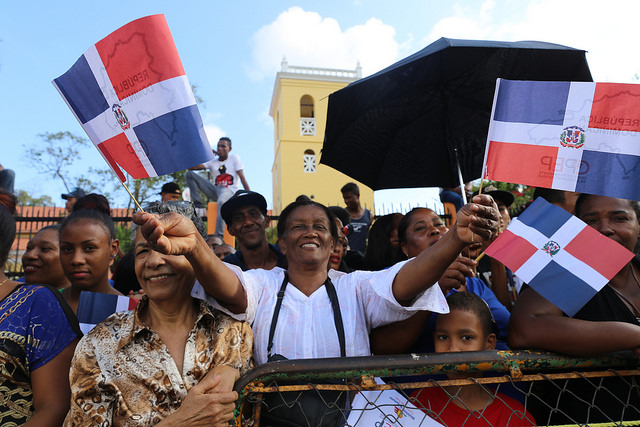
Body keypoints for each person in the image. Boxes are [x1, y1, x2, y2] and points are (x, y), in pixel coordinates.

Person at [133, 196, 499, 366]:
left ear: (334, 240)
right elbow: (231, 289)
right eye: (298, 226)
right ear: (283, 240)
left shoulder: (355, 286)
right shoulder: (262, 283)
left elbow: (403, 282)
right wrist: (196, 246)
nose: (309, 232)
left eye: (319, 226)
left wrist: (454, 239)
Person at [65, 201, 253, 425]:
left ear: (198, 254)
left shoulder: (234, 332)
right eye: (143, 251)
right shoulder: (99, 344)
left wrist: (233, 373)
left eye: (168, 247)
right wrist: (182, 422)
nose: (153, 261)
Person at [508, 194, 640, 423]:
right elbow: (525, 328)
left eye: (620, 218)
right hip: (586, 415)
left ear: (638, 224)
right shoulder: (567, 270)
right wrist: (633, 336)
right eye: (590, 221)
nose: (604, 229)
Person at [370, 207, 510, 354]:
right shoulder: (390, 281)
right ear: (405, 248)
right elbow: (382, 345)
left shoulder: (473, 283)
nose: (434, 230)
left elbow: (507, 327)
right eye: (420, 228)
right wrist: (435, 289)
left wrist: (497, 248)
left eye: (439, 224)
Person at [0, 198, 82, 425]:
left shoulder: (38, 302)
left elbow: (55, 406)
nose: (31, 256)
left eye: (45, 249)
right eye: (29, 248)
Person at [411, 292, 536, 426]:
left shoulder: (515, 417)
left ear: (489, 343)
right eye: (443, 337)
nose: (453, 349)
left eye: (466, 338)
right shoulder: (420, 403)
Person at [59, 209, 123, 313]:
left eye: (89, 248)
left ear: (113, 249)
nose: (76, 260)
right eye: (67, 249)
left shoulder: (129, 312)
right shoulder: (45, 304)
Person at [186, 137, 250, 238]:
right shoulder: (212, 162)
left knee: (221, 201)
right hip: (215, 190)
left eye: (223, 146)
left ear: (229, 149)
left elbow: (242, 177)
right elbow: (191, 167)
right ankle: (198, 205)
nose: (220, 148)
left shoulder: (234, 158)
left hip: (229, 191)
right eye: (218, 146)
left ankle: (218, 235)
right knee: (189, 174)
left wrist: (249, 196)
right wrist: (205, 155)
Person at [472, 185, 517, 308]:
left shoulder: (525, 251)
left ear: (509, 215)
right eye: (487, 210)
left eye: (501, 209)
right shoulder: (471, 258)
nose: (496, 215)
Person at [220, 190, 285, 271]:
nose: (248, 222)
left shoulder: (290, 257)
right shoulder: (228, 268)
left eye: (253, 214)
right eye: (239, 218)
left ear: (266, 221)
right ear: (231, 230)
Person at [22, 225, 71, 290]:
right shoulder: (13, 295)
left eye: (44, 248)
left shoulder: (85, 298)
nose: (30, 255)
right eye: (29, 248)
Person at [341, 182, 372, 256]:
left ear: (357, 196)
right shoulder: (342, 215)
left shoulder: (369, 215)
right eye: (344, 198)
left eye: (348, 197)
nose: (346, 201)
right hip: (347, 256)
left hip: (363, 257)